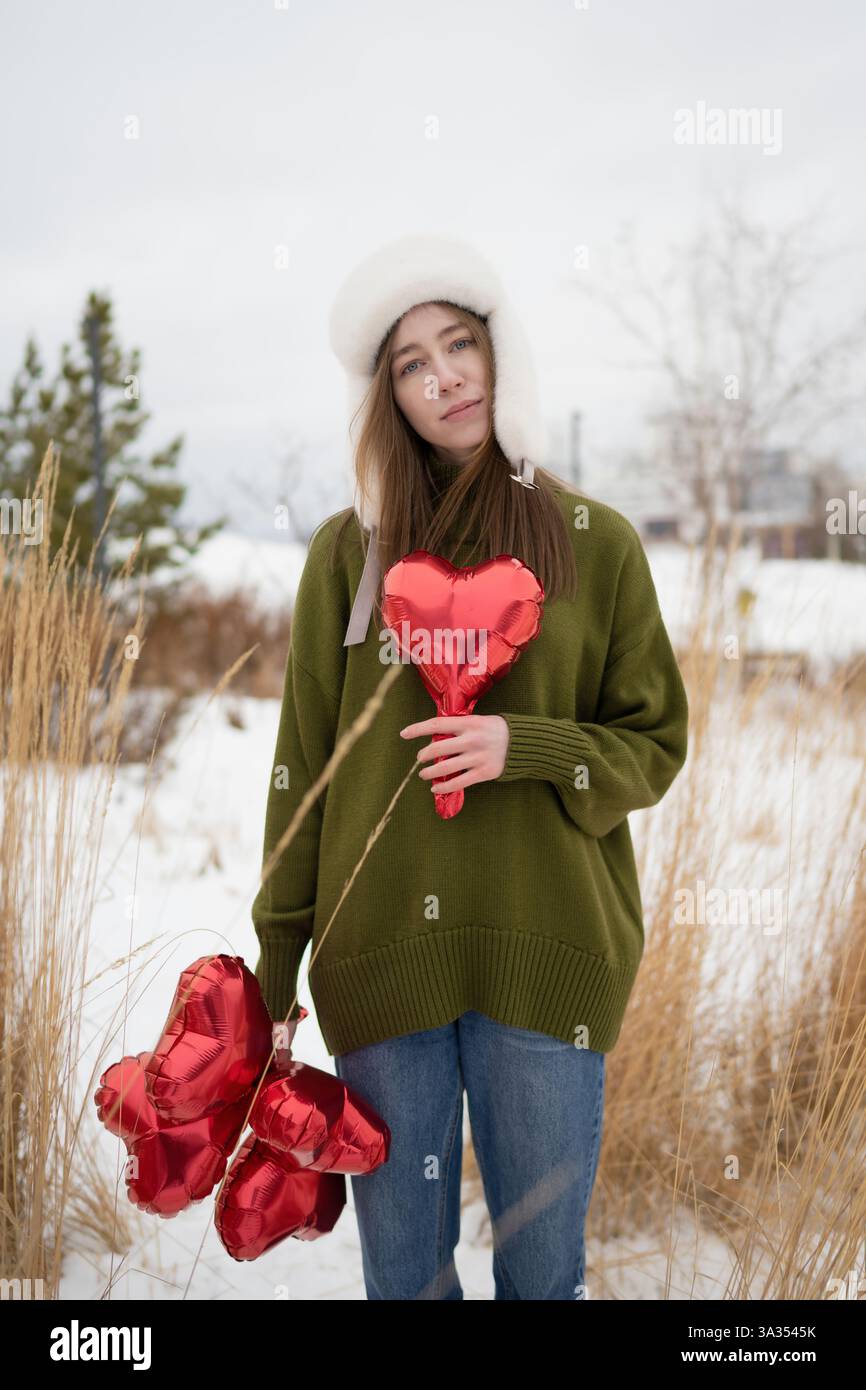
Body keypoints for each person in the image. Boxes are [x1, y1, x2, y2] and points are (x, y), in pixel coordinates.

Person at [251, 234, 689, 1299]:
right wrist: (272, 970)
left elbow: (652, 745)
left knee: (541, 1274)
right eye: (411, 362)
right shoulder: (344, 559)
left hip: (545, 953)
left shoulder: (596, 544)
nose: (443, 375)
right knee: (405, 1277)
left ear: (500, 357)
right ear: (387, 396)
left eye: (459, 345)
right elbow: (302, 773)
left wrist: (524, 747)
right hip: (381, 956)